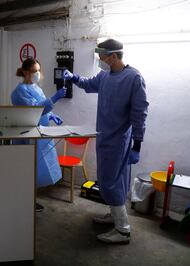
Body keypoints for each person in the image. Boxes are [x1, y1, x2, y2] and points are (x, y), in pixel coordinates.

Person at [63, 39, 148, 244]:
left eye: (102, 56)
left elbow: (140, 113)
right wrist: (73, 77)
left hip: (118, 142)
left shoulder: (133, 78)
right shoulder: (105, 75)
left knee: (112, 183)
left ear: (113, 56)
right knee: (107, 181)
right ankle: (114, 215)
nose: (100, 60)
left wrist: (137, 145)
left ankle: (123, 230)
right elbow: (88, 84)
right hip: (104, 137)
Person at [11, 58, 67, 212]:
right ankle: (25, 202)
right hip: (28, 134)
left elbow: (42, 104)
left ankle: (30, 200)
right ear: (25, 72)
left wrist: (51, 116)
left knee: (37, 169)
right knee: (28, 169)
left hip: (41, 132)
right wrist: (55, 97)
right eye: (34, 71)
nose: (37, 74)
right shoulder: (19, 91)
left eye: (38, 70)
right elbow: (35, 109)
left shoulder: (36, 88)